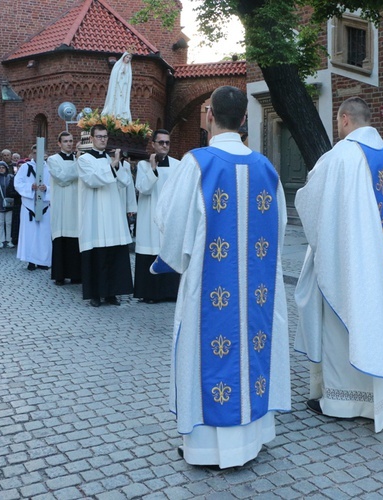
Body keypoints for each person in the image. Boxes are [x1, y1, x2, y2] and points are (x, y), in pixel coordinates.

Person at [152, 86, 290, 469]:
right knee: (253, 352)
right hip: (257, 292)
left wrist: (174, 259)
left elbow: (171, 222)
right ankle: (252, 439)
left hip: (207, 290)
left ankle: (209, 448)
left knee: (203, 354)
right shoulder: (267, 168)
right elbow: (278, 229)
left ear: (209, 115)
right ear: (244, 120)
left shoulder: (196, 164)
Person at [294, 97, 383, 433]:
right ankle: (374, 401)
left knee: (341, 325)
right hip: (382, 267)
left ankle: (341, 402)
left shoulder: (339, 157)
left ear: (345, 119)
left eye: (337, 120)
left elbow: (310, 204)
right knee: (374, 319)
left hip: (347, 265)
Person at [77, 124, 134, 306]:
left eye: (105, 136)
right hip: (94, 213)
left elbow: (125, 181)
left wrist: (119, 165)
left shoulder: (112, 160)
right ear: (92, 138)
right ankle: (95, 294)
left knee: (113, 252)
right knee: (97, 253)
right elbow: (93, 180)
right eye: (99, 136)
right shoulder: (84, 160)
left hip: (113, 212)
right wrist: (112, 166)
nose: (103, 139)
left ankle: (112, 293)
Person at [134, 130, 180, 303]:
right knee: (151, 250)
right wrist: (153, 169)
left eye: (167, 143)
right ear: (153, 144)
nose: (164, 146)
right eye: (161, 142)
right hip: (149, 215)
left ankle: (170, 292)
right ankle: (150, 293)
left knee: (168, 249)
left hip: (170, 216)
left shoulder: (177, 165)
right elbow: (143, 188)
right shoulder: (143, 166)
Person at [46, 131, 82, 285]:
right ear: (59, 143)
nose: (69, 143)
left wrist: (79, 161)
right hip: (61, 205)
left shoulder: (78, 159)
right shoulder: (53, 160)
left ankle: (76, 274)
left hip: (76, 204)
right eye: (66, 141)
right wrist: (78, 164)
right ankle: (60, 275)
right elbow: (62, 178)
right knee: (61, 239)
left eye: (71, 140)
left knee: (76, 240)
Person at [14, 146, 52, 270]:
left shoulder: (50, 167)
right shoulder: (25, 167)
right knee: (30, 233)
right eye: (35, 153)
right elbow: (17, 183)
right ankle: (30, 260)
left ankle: (43, 260)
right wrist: (30, 186)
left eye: (40, 153)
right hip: (29, 205)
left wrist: (47, 188)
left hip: (45, 205)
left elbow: (56, 185)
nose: (37, 155)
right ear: (31, 154)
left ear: (45, 154)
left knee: (44, 234)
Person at [101, 52, 132, 120]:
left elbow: (128, 80)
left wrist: (125, 76)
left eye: (129, 58)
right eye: (127, 57)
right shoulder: (118, 65)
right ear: (123, 57)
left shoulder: (129, 68)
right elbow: (114, 76)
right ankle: (113, 113)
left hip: (123, 88)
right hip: (116, 87)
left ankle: (121, 114)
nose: (128, 59)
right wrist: (121, 73)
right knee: (115, 100)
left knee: (121, 101)